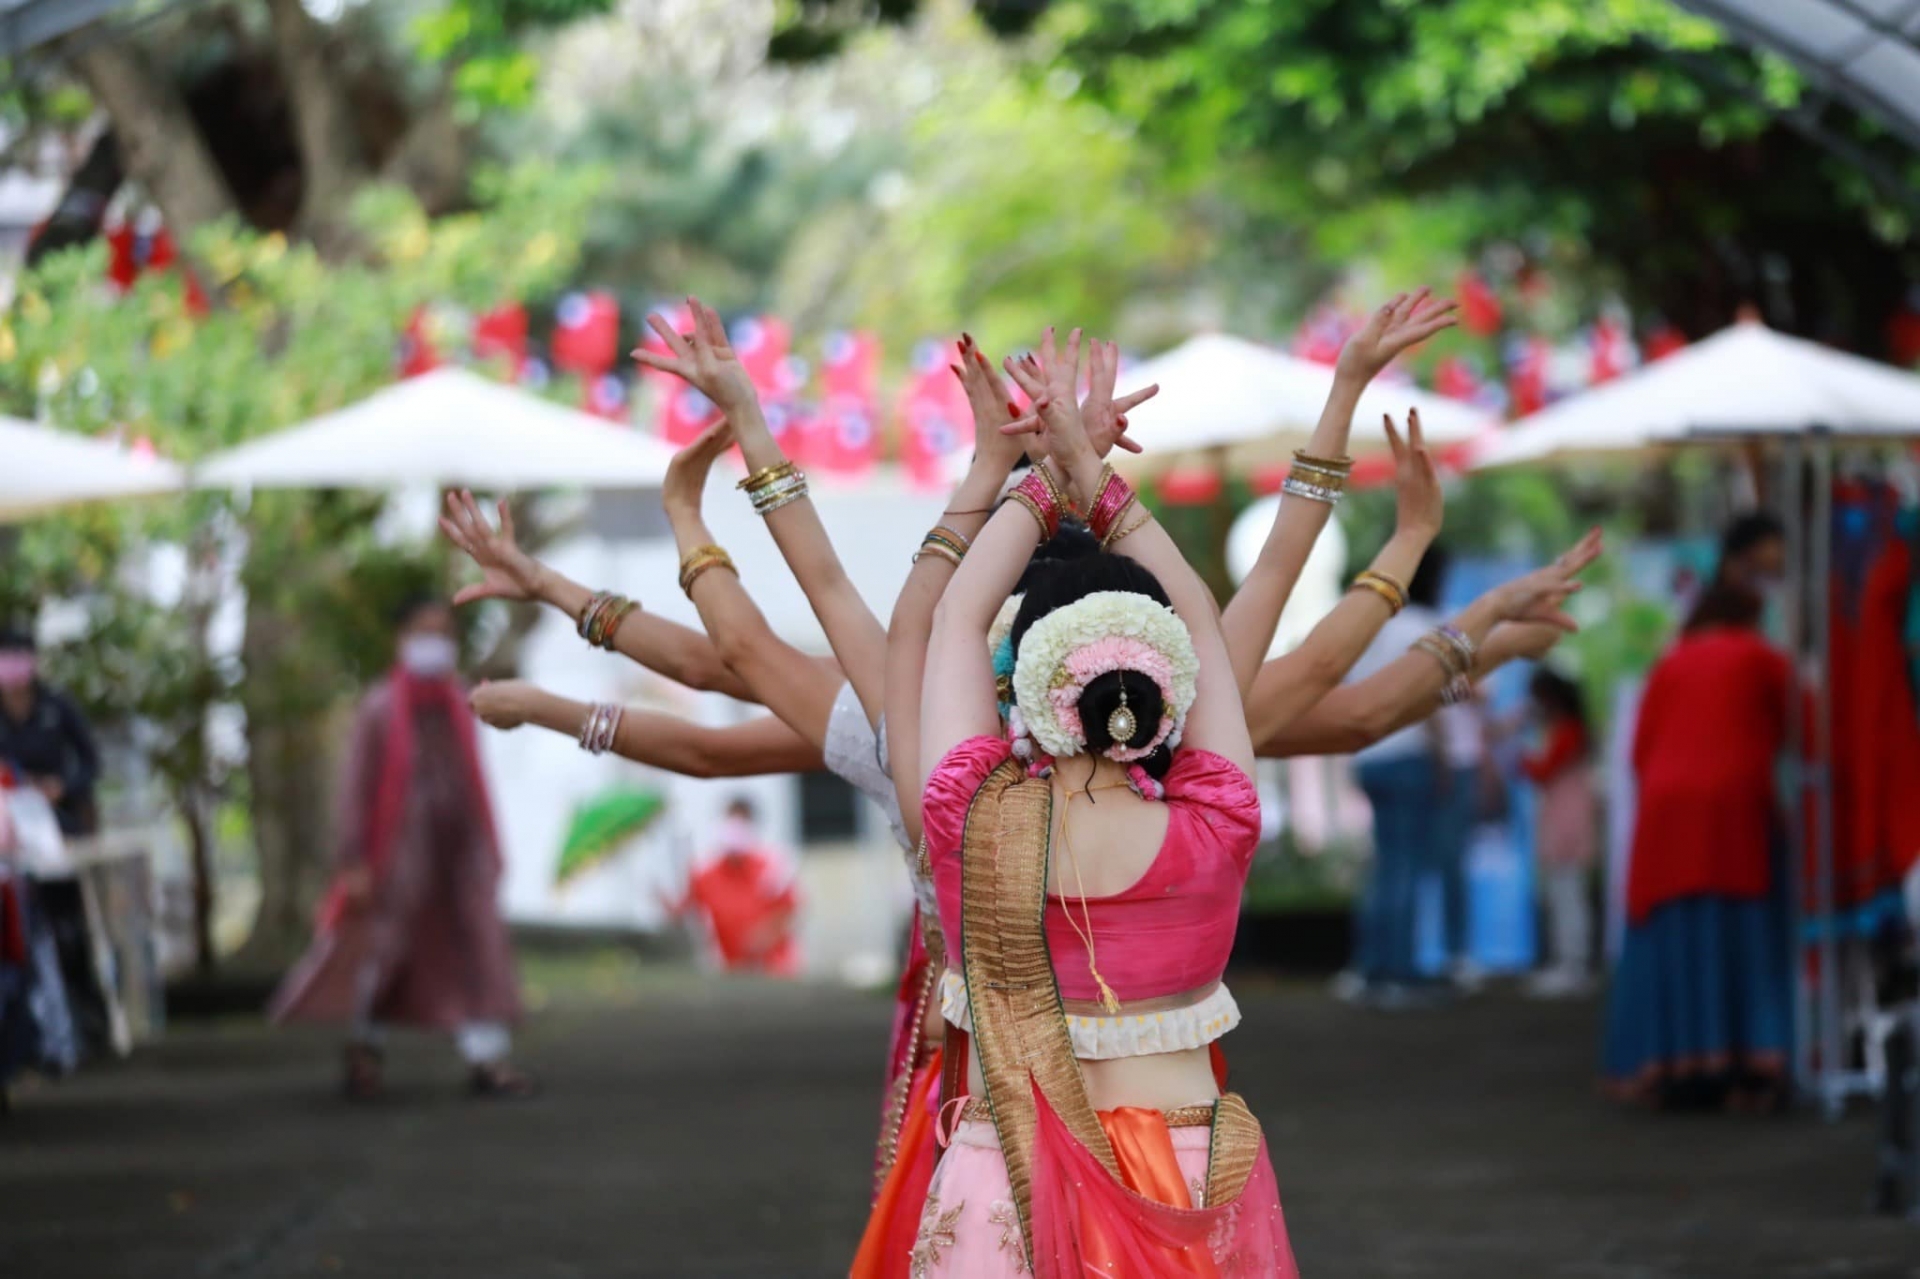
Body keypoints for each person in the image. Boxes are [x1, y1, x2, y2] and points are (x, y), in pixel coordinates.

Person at [911, 329, 1592, 1274]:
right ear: (1169, 688)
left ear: (1018, 681)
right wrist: (1098, 480)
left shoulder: (968, 815)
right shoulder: (1214, 821)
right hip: (1187, 1179)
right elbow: (1204, 610)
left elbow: (949, 619)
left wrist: (1045, 474)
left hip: (1008, 1177)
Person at [270, 596, 533, 1101]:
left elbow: (478, 782)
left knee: (473, 955)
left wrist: (490, 850)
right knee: (383, 958)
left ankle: (488, 1058)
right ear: (403, 638)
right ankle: (364, 1051)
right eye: (424, 631)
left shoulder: (462, 701)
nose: (435, 643)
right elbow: (355, 788)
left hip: (458, 858)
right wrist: (353, 860)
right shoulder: (379, 707)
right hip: (397, 861)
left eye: (443, 632)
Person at [1603, 577, 1793, 1110]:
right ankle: (1749, 1065)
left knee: (1673, 934)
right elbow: (1805, 729)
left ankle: (1673, 1066)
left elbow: (1640, 752)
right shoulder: (1759, 655)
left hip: (1665, 810)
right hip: (1735, 807)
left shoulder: (1671, 662)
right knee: (1743, 932)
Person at [1340, 547, 1481, 1002]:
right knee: (1404, 868)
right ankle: (1398, 972)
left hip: (1368, 755)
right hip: (1407, 757)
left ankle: (1373, 966)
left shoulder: (1368, 629)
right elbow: (1428, 699)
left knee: (1384, 867)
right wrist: (1442, 757)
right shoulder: (1422, 629)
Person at [1519, 666, 1598, 998]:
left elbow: (1543, 770)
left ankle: (1572, 965)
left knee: (1567, 893)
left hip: (1565, 818)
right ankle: (1571, 963)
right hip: (1566, 814)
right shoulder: (1571, 729)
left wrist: (1520, 756)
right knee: (1567, 893)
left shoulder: (1566, 731)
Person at [662, 796, 800, 975]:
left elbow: (788, 912)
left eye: (742, 820)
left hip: (774, 968)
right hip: (733, 969)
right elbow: (683, 911)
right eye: (731, 819)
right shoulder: (705, 875)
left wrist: (764, 936)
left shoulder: (772, 868)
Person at [0, 628, 100, 838]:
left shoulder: (57, 705)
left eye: (19, 656)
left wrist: (62, 787)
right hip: (9, 824)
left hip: (63, 818)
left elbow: (91, 762)